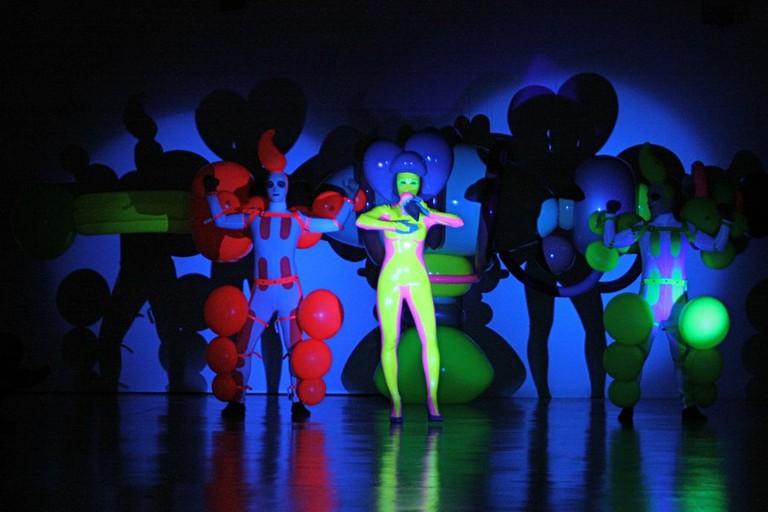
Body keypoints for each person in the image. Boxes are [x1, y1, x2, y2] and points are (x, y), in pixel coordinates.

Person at [204, 132, 354, 422]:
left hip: (288, 294)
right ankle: (238, 399)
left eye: (280, 183)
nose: (275, 188)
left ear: (287, 187)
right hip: (261, 292)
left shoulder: (296, 220)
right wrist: (211, 194)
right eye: (271, 184)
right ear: (266, 187)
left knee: (296, 350)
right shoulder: (255, 218)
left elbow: (335, 224)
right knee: (242, 349)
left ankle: (298, 401)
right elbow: (221, 221)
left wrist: (347, 200)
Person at [603, 180, 731, 425]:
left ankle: (689, 406)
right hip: (648, 305)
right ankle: (628, 405)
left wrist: (725, 222)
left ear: (669, 198)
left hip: (676, 304)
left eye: (654, 196)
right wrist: (609, 217)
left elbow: (716, 246)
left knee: (682, 359)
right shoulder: (643, 228)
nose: (649, 201)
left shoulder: (685, 229)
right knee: (636, 356)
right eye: (649, 197)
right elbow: (611, 242)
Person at [356, 151, 463, 423]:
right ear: (395, 185)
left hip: (417, 278)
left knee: (430, 337)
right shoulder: (386, 211)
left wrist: (429, 212)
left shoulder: (424, 215)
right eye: (403, 181)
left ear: (419, 186)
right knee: (389, 340)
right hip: (391, 279)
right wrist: (394, 222)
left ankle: (433, 399)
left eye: (413, 182)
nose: (408, 186)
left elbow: (457, 222)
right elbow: (361, 221)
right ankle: (396, 400)